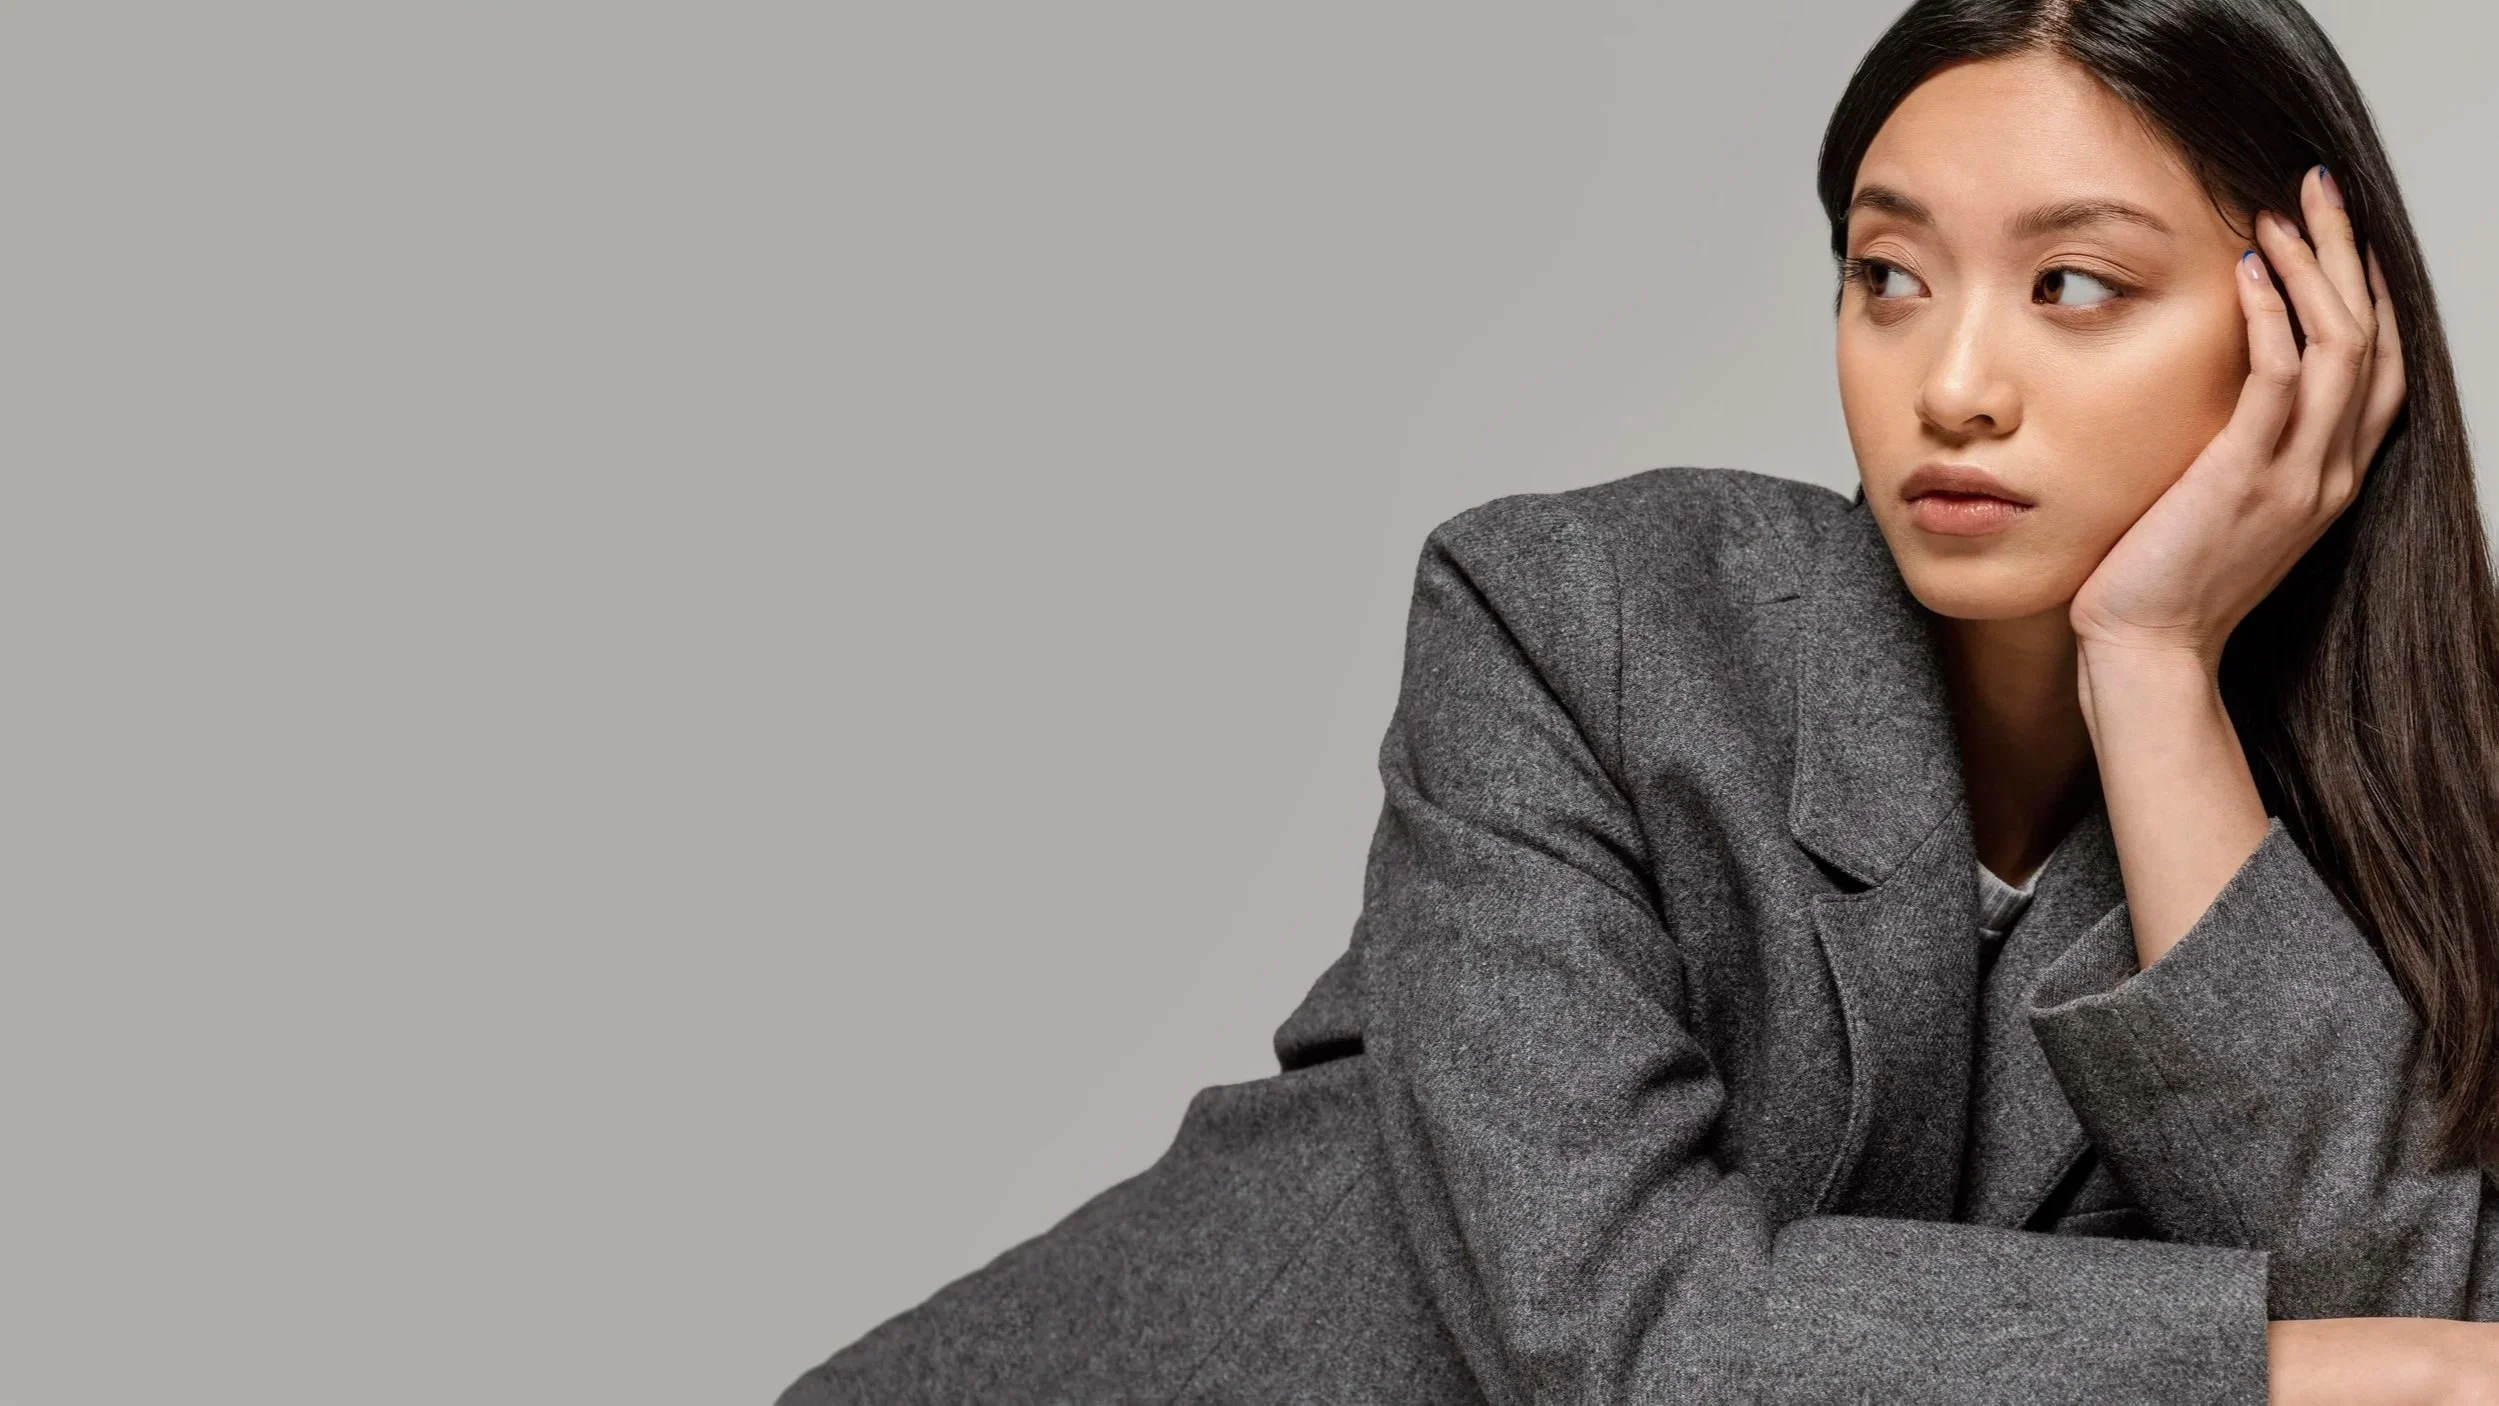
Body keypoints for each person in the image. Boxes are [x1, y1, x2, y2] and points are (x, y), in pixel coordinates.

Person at [782, 0, 2499, 1399]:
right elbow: (1621, 1334)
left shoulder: (2347, 837)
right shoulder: (1579, 623)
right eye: (1887, 276)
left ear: (2312, 329)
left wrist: (2152, 669)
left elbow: (2430, 1320)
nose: (1953, 384)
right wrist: (2262, 1368)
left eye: (2070, 286)